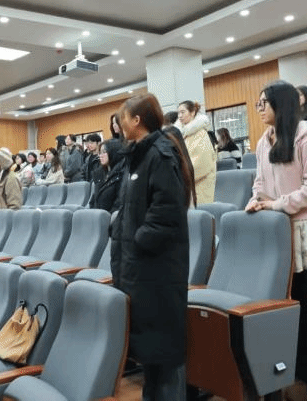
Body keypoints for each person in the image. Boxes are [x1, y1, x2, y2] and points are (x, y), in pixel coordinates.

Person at [246, 81, 307, 400]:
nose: (260, 109)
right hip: (280, 235)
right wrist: (255, 200)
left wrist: (276, 204)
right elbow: (260, 182)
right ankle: (298, 379)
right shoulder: (264, 141)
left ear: (282, 104)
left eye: (264, 103)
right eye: (259, 104)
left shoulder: (305, 136)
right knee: (293, 315)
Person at [112, 93, 192, 401]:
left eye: (122, 119)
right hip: (140, 269)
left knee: (165, 353)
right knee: (151, 355)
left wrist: (138, 240)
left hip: (157, 270)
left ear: (137, 120)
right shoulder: (137, 155)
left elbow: (167, 213)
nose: (119, 125)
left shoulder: (160, 154)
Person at [176, 100, 216, 205]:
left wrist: (179, 175)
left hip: (200, 184)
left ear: (192, 112)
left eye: (183, 112)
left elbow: (201, 163)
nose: (180, 116)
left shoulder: (200, 133)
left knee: (199, 212)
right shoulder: (183, 134)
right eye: (178, 113)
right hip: (186, 185)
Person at [89, 139, 125, 213]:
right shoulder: (100, 174)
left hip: (111, 217)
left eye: (104, 152)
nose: (100, 156)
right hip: (97, 216)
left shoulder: (121, 174)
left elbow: (119, 203)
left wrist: (106, 217)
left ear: (113, 152)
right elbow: (93, 201)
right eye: (100, 153)